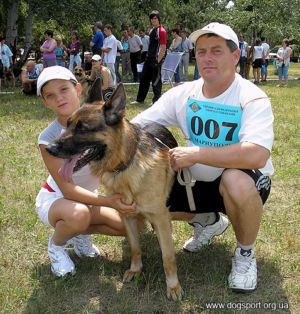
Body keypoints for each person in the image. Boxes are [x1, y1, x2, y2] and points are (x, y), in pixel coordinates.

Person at [132, 22, 274, 293]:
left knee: (236, 181)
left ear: (235, 56)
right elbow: (136, 126)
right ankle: (207, 222)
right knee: (152, 191)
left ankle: (245, 254)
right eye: (201, 51)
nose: (207, 58)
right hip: (196, 179)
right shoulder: (183, 94)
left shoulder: (252, 97)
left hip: (241, 181)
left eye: (217, 51)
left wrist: (198, 153)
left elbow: (256, 154)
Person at [35, 66, 135, 277]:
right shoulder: (48, 138)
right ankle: (57, 246)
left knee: (128, 227)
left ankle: (78, 235)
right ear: (45, 102)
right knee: (79, 215)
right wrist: (109, 202)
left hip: (87, 200)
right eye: (50, 95)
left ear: (78, 89)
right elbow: (68, 190)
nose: (59, 98)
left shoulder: (99, 123)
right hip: (56, 199)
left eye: (64, 90)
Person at [130, 10, 167, 105]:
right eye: (152, 18)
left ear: (159, 19)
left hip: (156, 60)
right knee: (144, 79)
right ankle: (140, 99)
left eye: (155, 18)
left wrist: (158, 60)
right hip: (148, 59)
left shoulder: (161, 31)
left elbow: (163, 47)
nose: (153, 20)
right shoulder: (152, 31)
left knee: (156, 81)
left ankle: (156, 102)